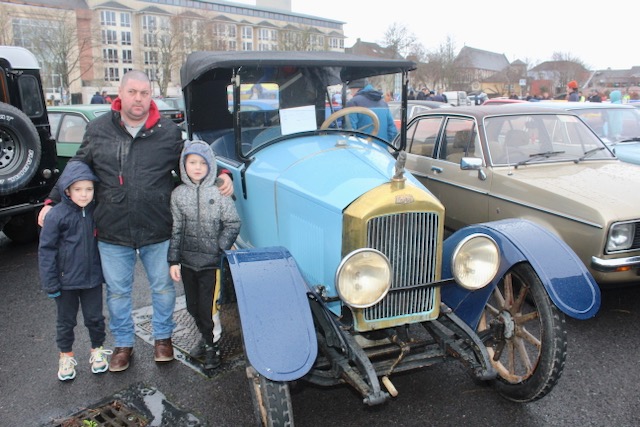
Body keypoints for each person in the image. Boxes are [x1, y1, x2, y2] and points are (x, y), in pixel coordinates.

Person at [38, 70, 234, 373]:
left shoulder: (168, 132)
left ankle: (163, 339)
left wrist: (220, 173)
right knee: (117, 292)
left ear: (150, 95)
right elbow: (78, 164)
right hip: (113, 230)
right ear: (121, 92)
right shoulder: (99, 129)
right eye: (133, 92)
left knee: (164, 289)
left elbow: (194, 157)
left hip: (158, 227)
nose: (139, 98)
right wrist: (53, 200)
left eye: (144, 92)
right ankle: (124, 345)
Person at [168, 140, 241, 371]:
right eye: (192, 162)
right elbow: (176, 228)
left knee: (208, 309)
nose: (197, 167)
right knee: (192, 306)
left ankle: (213, 346)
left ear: (210, 165)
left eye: (202, 163)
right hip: (189, 263)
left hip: (211, 264)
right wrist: (173, 260)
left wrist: (220, 247)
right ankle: (205, 337)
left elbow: (233, 223)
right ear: (184, 165)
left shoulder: (219, 194)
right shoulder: (178, 195)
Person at [38, 161, 112, 381]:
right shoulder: (56, 215)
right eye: (78, 189)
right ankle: (66, 356)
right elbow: (46, 251)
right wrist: (50, 283)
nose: (84, 194)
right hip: (65, 282)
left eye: (89, 189)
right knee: (65, 321)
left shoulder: (97, 212)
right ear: (67, 190)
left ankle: (97, 350)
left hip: (91, 280)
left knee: (95, 318)